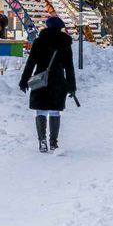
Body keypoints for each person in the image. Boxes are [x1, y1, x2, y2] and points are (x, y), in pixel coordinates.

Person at [20, 16, 76, 153]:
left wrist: (24, 80)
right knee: (55, 111)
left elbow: (31, 63)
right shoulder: (65, 43)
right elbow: (69, 67)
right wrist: (71, 86)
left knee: (41, 110)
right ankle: (53, 143)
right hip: (57, 81)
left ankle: (42, 141)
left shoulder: (39, 42)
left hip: (41, 80)